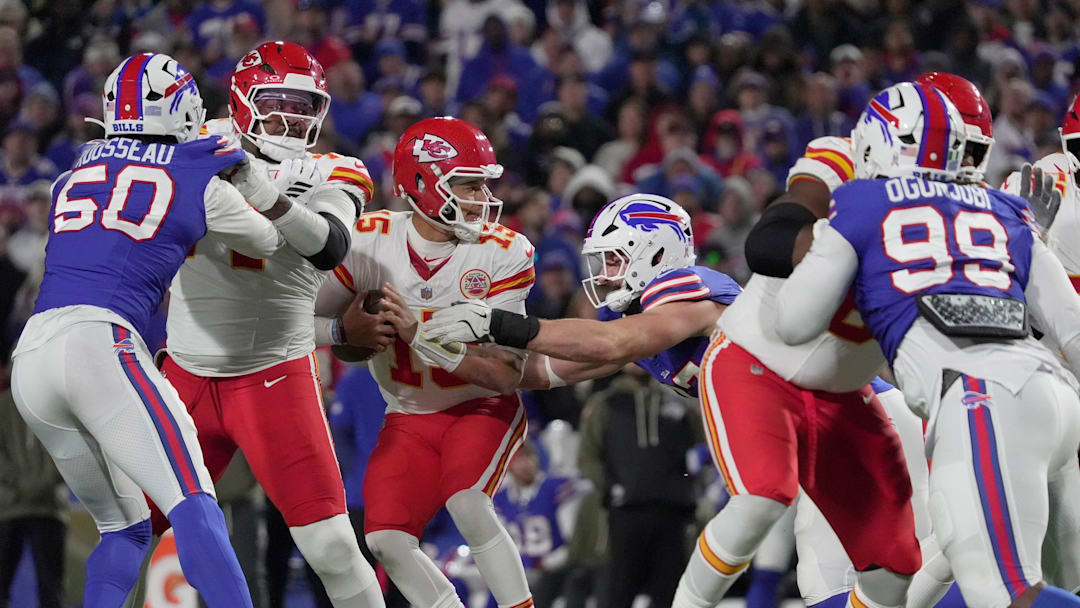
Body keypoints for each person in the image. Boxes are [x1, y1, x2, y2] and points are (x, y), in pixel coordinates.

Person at [774, 81, 1080, 608]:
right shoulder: (1004, 209)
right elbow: (1073, 331)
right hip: (1056, 401)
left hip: (980, 396)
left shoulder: (863, 203)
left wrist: (828, 245)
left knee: (1000, 593)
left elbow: (794, 321)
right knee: (1014, 579)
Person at [8, 52, 290, 607]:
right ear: (182, 106)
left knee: (126, 528)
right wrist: (241, 173)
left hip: (33, 357)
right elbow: (268, 241)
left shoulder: (71, 173)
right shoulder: (198, 172)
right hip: (100, 343)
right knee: (193, 502)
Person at [149, 41, 384, 608]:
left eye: (306, 105)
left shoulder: (334, 169)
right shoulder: (189, 143)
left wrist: (257, 186)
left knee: (330, 545)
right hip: (185, 375)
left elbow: (328, 246)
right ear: (242, 100)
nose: (294, 116)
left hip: (273, 376)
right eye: (278, 100)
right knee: (130, 527)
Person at [314, 116, 537, 608]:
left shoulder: (502, 253)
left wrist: (420, 337)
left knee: (468, 502)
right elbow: (295, 322)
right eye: (467, 184)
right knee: (385, 540)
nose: (482, 198)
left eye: (484, 184)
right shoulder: (369, 241)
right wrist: (339, 333)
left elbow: (505, 372)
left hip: (479, 406)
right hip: (408, 414)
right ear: (420, 183)